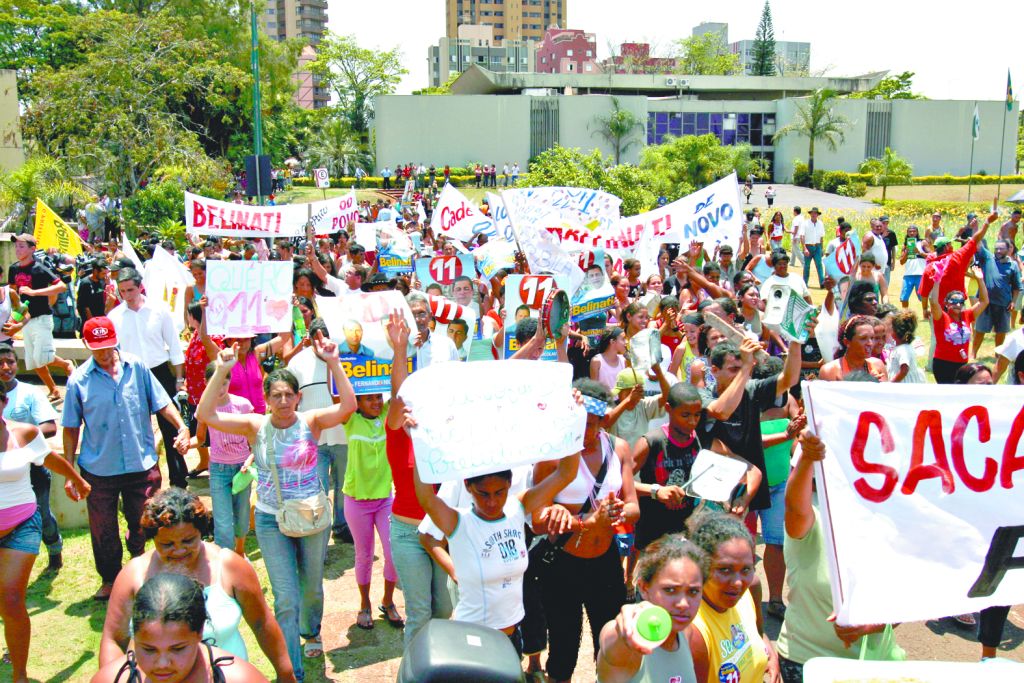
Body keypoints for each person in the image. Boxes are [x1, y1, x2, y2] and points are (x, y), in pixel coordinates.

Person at [196, 333, 356, 680]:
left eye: (289, 394)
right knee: (285, 596)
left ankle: (311, 630)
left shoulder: (310, 421)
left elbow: (348, 408)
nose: (283, 401)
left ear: (298, 398)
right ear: (266, 399)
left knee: (311, 584)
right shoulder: (255, 425)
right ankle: (293, 671)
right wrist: (223, 367)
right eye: (276, 395)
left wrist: (334, 363)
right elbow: (205, 413)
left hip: (312, 515)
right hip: (270, 520)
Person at [411, 404, 582, 656]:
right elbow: (426, 497)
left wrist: (573, 420)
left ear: (510, 484)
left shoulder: (517, 508)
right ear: (467, 486)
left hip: (512, 637)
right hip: (473, 641)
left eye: (499, 492)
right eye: (483, 494)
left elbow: (566, 473)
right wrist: (419, 441)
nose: (492, 502)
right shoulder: (459, 522)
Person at [98, 489, 295, 681]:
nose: (179, 550)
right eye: (167, 544)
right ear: (153, 539)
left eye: (188, 540)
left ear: (201, 532)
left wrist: (285, 672)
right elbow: (113, 638)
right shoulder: (134, 574)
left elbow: (262, 622)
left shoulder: (230, 567)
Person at [62, 316, 191, 601]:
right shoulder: (78, 381)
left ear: (115, 341)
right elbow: (71, 428)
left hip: (140, 463)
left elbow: (162, 402)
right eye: (97, 348)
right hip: (99, 469)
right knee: (103, 528)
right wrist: (71, 469)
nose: (104, 354)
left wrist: (182, 427)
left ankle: (142, 562)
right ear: (86, 345)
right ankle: (110, 578)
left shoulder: (137, 367)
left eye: (108, 347)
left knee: (146, 520)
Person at [532, 379, 640, 683]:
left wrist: (615, 513)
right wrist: (585, 521)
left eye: (593, 425)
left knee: (610, 642)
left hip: (605, 562)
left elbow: (633, 508)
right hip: (563, 564)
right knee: (564, 648)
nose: (585, 433)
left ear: (604, 421)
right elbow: (536, 519)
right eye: (579, 424)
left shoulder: (618, 448)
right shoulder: (552, 455)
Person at [776, 428, 902, 682]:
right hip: (810, 663)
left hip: (878, 665)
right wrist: (808, 458)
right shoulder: (811, 516)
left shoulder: (888, 519)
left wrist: (871, 624)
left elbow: (903, 600)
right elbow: (794, 506)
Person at [0, 382, 90, 683]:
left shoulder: (22, 432)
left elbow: (48, 458)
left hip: (22, 525)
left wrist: (76, 478)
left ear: (3, 404)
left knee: (11, 600)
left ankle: (20, 676)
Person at [381, 311, 453, 648]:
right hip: (408, 532)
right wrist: (399, 349)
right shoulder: (398, 432)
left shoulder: (446, 433)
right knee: (420, 613)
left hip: (442, 531)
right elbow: (399, 396)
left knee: (444, 610)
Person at [93, 573, 268, 683]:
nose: (162, 664)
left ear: (199, 633)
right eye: (148, 649)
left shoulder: (241, 679)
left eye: (177, 649)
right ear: (135, 638)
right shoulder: (110, 679)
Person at [108, 268, 189, 489]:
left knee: (170, 425)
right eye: (122, 291)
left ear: (140, 287)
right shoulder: (114, 317)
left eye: (131, 290)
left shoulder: (159, 310)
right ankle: (142, 480)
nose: (127, 295)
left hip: (160, 371)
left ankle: (178, 478)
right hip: (130, 374)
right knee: (136, 426)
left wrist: (179, 379)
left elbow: (174, 346)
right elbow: (113, 351)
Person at [596, 535, 707, 683]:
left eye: (693, 591)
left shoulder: (685, 633)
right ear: (644, 588)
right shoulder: (630, 648)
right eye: (670, 590)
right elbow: (610, 640)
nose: (683, 604)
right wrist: (621, 630)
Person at [687, 511, 777, 683]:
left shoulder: (750, 589)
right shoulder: (694, 633)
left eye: (746, 569)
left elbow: (757, 632)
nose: (737, 583)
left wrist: (769, 652)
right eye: (725, 570)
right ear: (700, 566)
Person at [0, 342, 64, 571]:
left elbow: (50, 427)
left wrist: (21, 436)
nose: (6, 367)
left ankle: (55, 549)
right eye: (0, 363)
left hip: (31, 467)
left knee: (42, 516)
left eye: (10, 361)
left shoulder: (29, 392)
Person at [286, 318, 350, 543]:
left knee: (344, 486)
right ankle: (319, 537)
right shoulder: (297, 363)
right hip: (314, 440)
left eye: (326, 339)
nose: (322, 345)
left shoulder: (347, 358)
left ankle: (342, 527)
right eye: (317, 341)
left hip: (344, 436)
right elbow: (289, 398)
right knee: (317, 490)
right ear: (311, 340)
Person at [6, 233, 75, 402]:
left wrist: (34, 292)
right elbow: (13, 293)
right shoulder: (13, 268)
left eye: (22, 246)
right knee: (33, 361)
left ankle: (66, 364)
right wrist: (13, 317)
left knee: (43, 357)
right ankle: (54, 390)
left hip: (42, 317)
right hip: (25, 319)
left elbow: (60, 287)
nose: (18, 249)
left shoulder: (40, 268)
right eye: (16, 246)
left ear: (32, 249)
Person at [196, 363, 254, 554]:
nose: (221, 389)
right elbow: (200, 438)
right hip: (219, 469)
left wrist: (250, 460)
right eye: (216, 383)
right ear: (206, 383)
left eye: (224, 383)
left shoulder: (243, 405)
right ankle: (225, 563)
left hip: (243, 469)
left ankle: (240, 552)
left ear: (230, 381)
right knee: (222, 521)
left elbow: (256, 441)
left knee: (242, 516)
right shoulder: (205, 409)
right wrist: (188, 439)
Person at [929, 269, 988, 384]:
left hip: (962, 364)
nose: (958, 305)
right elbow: (933, 301)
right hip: (943, 363)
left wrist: (980, 280)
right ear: (946, 303)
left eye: (961, 302)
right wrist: (937, 281)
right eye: (954, 301)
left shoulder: (967, 315)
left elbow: (984, 301)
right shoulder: (941, 317)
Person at [971, 239, 1020, 359]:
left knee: (1001, 331)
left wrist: (1013, 302)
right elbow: (978, 243)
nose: (998, 250)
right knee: (980, 330)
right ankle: (973, 354)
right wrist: (977, 228)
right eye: (996, 248)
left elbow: (1017, 287)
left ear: (1008, 250)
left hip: (1004, 304)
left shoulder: (1013, 265)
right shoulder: (988, 259)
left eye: (1001, 248)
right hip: (985, 303)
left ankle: (998, 354)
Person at [819, 315, 887, 382]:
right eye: (863, 338)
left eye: (872, 338)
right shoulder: (830, 370)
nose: (870, 343)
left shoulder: (878, 366)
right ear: (847, 342)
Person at [887, 310, 925, 383]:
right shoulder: (902, 348)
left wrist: (892, 384)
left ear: (896, 331)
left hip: (903, 385)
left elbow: (904, 370)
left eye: (891, 327)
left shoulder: (903, 349)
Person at [800, 207, 826, 288]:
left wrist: (822, 248)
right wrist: (804, 248)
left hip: (817, 246)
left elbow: (822, 237)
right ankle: (805, 283)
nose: (814, 214)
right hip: (808, 246)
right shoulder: (805, 223)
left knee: (819, 265)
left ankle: (822, 283)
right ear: (810, 214)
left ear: (818, 214)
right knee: (807, 266)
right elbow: (802, 236)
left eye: (815, 213)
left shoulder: (820, 223)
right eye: (812, 213)